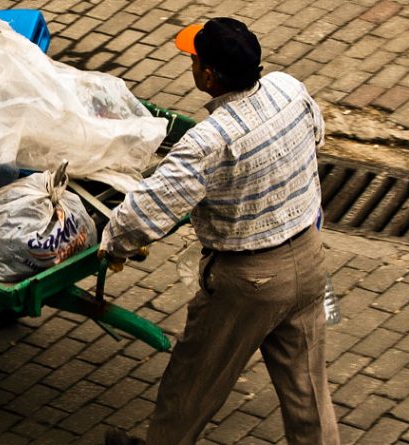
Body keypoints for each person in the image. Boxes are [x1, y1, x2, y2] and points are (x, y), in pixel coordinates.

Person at [99, 17, 340, 445]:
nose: (192, 65)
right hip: (309, 258)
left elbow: (144, 213)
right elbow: (315, 135)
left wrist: (114, 244)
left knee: (192, 382)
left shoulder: (208, 141)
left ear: (208, 76)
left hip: (249, 284)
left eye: (194, 59)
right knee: (308, 391)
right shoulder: (288, 87)